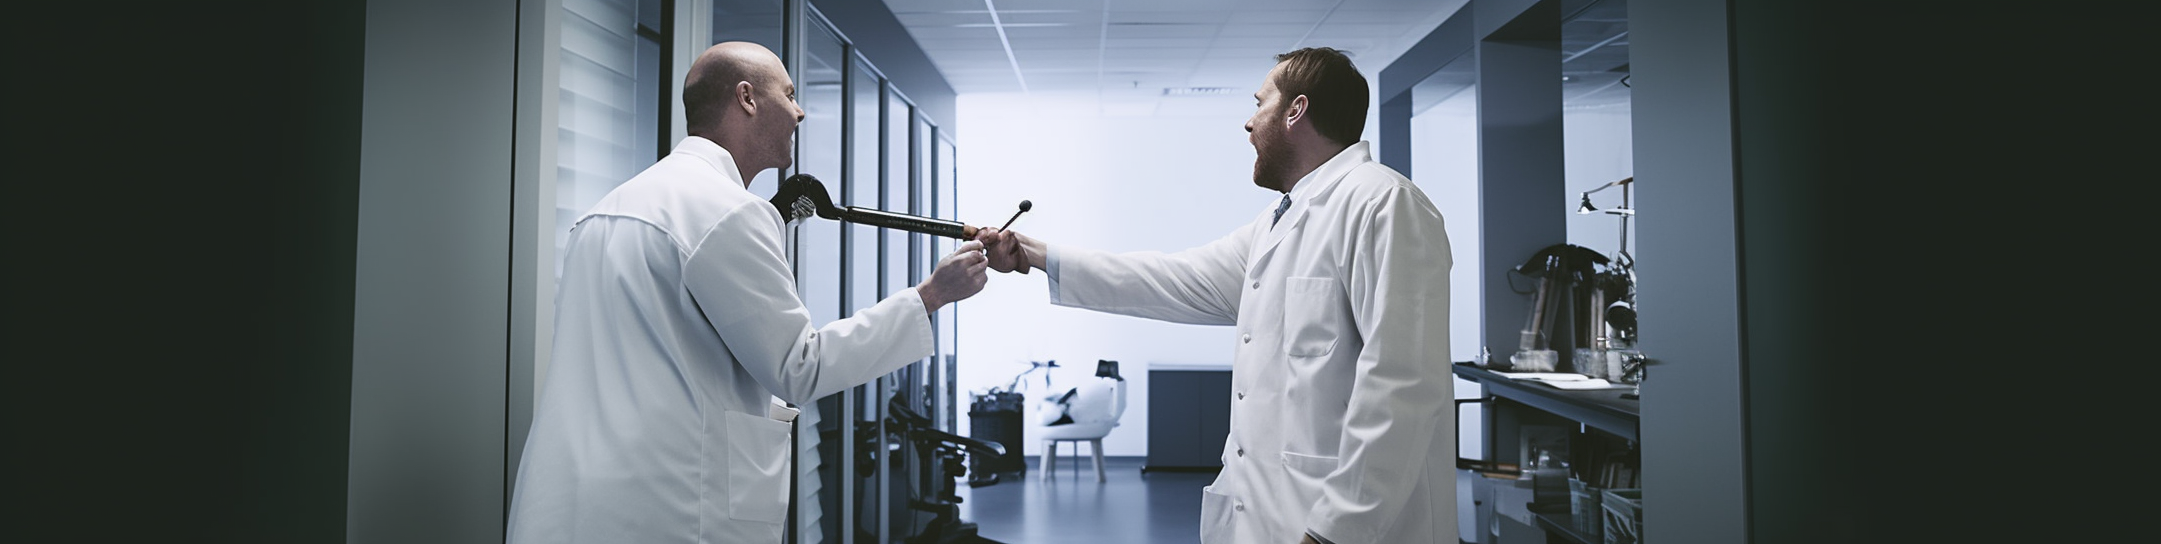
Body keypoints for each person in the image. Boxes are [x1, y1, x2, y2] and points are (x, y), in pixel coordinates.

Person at [506, 42, 990, 544]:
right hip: (672, 510)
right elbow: (801, 367)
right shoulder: (731, 211)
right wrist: (931, 295)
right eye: (789, 93)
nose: (800, 110)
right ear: (747, 98)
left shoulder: (607, 209)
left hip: (576, 499)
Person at [976, 47, 1455, 544]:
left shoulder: (1383, 204)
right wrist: (1033, 254)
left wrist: (1337, 530)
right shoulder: (1277, 224)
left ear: (1296, 111)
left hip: (1344, 527)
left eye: (1260, 103)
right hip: (1269, 515)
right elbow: (1167, 278)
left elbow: (1402, 386)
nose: (1249, 124)